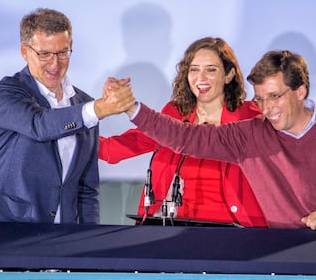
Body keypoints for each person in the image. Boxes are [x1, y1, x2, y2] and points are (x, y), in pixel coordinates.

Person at [115, 49, 316, 230]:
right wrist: (132, 108)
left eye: (275, 96)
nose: (267, 108)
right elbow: (186, 137)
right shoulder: (251, 134)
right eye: (260, 99)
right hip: (288, 254)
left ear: (300, 91)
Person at [100, 37, 268, 227]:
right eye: (194, 69)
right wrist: (81, 119)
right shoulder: (174, 114)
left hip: (237, 232)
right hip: (175, 230)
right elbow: (112, 150)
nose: (201, 77)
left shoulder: (250, 116)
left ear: (228, 75)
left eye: (211, 69)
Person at [0, 8, 135, 224]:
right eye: (44, 54)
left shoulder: (83, 103)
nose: (55, 64)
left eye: (63, 52)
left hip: (65, 238)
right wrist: (100, 109)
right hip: (14, 235)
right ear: (25, 51)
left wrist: (89, 241)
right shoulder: (7, 93)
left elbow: (87, 189)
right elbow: (39, 125)